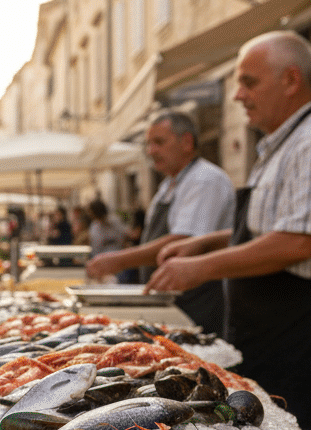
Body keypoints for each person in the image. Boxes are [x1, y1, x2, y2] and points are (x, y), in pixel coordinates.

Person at [147, 31, 311, 430]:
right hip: (288, 332)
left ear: (291, 79)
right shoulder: (285, 143)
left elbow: (297, 242)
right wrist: (208, 242)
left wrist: (202, 268)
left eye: (249, 82)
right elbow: (272, 228)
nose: (238, 95)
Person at [85, 111, 235, 333]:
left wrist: (121, 260)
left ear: (186, 142)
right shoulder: (168, 185)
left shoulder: (205, 180)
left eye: (159, 142)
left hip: (198, 304)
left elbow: (184, 241)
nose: (151, 151)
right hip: (171, 301)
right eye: (149, 144)